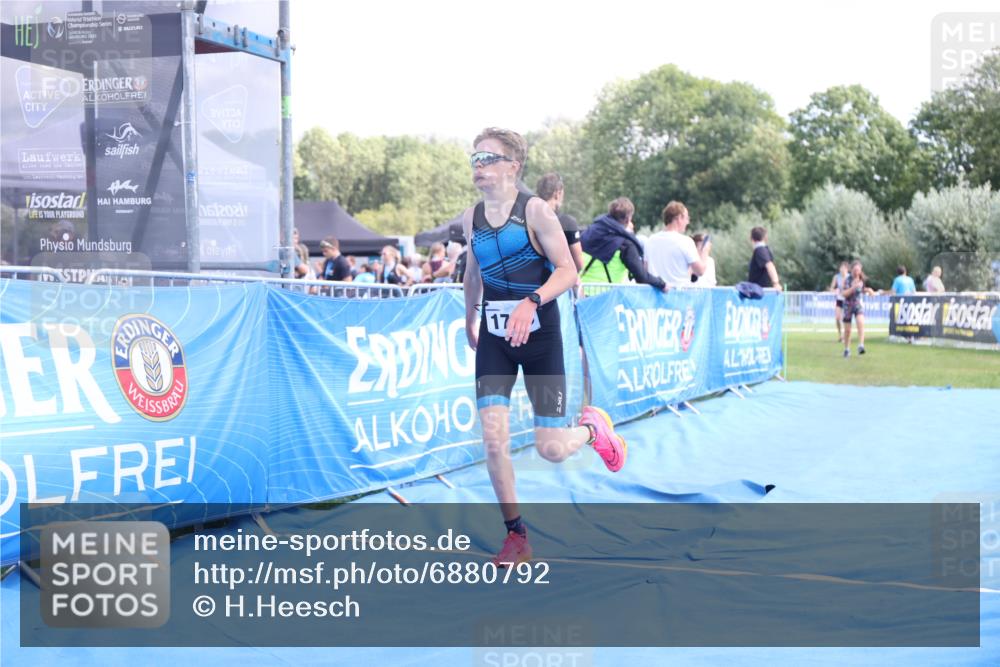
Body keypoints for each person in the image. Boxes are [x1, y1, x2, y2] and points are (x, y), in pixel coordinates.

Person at [461, 127, 628, 567]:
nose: (478, 166)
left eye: (487, 158)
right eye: (475, 158)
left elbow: (569, 271)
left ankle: (593, 430)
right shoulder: (470, 218)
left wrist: (530, 301)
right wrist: (469, 317)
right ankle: (517, 537)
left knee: (550, 449)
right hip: (496, 341)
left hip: (540, 339)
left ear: (512, 167)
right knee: (494, 441)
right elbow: (473, 274)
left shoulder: (534, 211)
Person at [579, 197, 666, 290]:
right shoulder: (625, 245)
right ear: (628, 219)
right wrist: (662, 284)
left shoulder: (587, 233)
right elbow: (642, 277)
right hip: (606, 297)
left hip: (581, 293)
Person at [645, 201, 710, 288]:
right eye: (687, 218)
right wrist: (705, 251)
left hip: (654, 296)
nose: (688, 222)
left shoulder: (650, 240)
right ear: (679, 218)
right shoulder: (686, 242)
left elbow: (645, 270)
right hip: (677, 297)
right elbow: (700, 271)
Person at [536, 173, 584, 272]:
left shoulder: (525, 217)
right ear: (557, 193)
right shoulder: (568, 223)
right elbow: (578, 264)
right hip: (556, 281)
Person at [841, 260, 872, 358]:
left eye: (858, 270)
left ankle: (861, 346)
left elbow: (862, 290)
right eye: (854, 270)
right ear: (851, 270)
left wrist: (869, 290)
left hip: (858, 305)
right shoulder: (847, 280)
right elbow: (844, 294)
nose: (856, 272)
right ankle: (847, 349)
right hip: (847, 306)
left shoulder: (861, 280)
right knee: (848, 330)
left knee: (861, 323)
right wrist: (853, 287)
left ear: (860, 270)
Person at [747, 226, 782, 291]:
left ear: (751, 238)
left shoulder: (760, 250)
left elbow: (769, 265)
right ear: (765, 238)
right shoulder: (764, 250)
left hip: (760, 292)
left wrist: (776, 283)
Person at [829, 261, 849, 342]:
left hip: (848, 300)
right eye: (841, 268)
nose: (842, 270)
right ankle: (840, 335)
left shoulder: (850, 277)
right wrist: (835, 290)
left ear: (847, 269)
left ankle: (845, 336)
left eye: (844, 268)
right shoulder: (836, 277)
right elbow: (831, 288)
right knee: (837, 318)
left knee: (846, 319)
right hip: (839, 300)